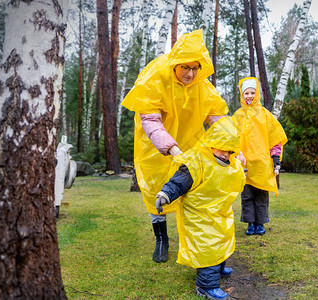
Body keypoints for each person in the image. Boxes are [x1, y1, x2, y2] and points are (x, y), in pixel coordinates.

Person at [121, 29, 229, 263]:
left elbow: (217, 116)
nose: (190, 73)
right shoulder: (155, 78)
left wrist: (231, 145)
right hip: (154, 147)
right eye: (184, 67)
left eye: (194, 68)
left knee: (190, 192)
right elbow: (149, 120)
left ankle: (190, 237)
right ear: (175, 64)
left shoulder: (202, 85)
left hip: (190, 146)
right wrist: (171, 148)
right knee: (154, 192)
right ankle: (161, 240)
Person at [155, 117, 246, 300]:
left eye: (230, 151)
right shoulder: (196, 161)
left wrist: (241, 169)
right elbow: (179, 181)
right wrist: (165, 194)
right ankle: (206, 286)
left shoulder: (231, 163)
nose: (225, 155)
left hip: (220, 214)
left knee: (222, 241)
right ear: (211, 143)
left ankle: (218, 268)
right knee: (208, 246)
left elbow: (236, 180)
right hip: (199, 216)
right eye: (222, 149)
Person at [232, 77, 288, 236]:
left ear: (257, 94)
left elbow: (275, 138)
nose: (249, 96)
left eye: (252, 92)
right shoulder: (238, 116)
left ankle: (260, 223)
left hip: (262, 165)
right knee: (247, 195)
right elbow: (231, 137)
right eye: (246, 93)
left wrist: (276, 158)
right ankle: (250, 224)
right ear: (242, 95)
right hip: (245, 165)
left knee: (262, 196)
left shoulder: (265, 115)